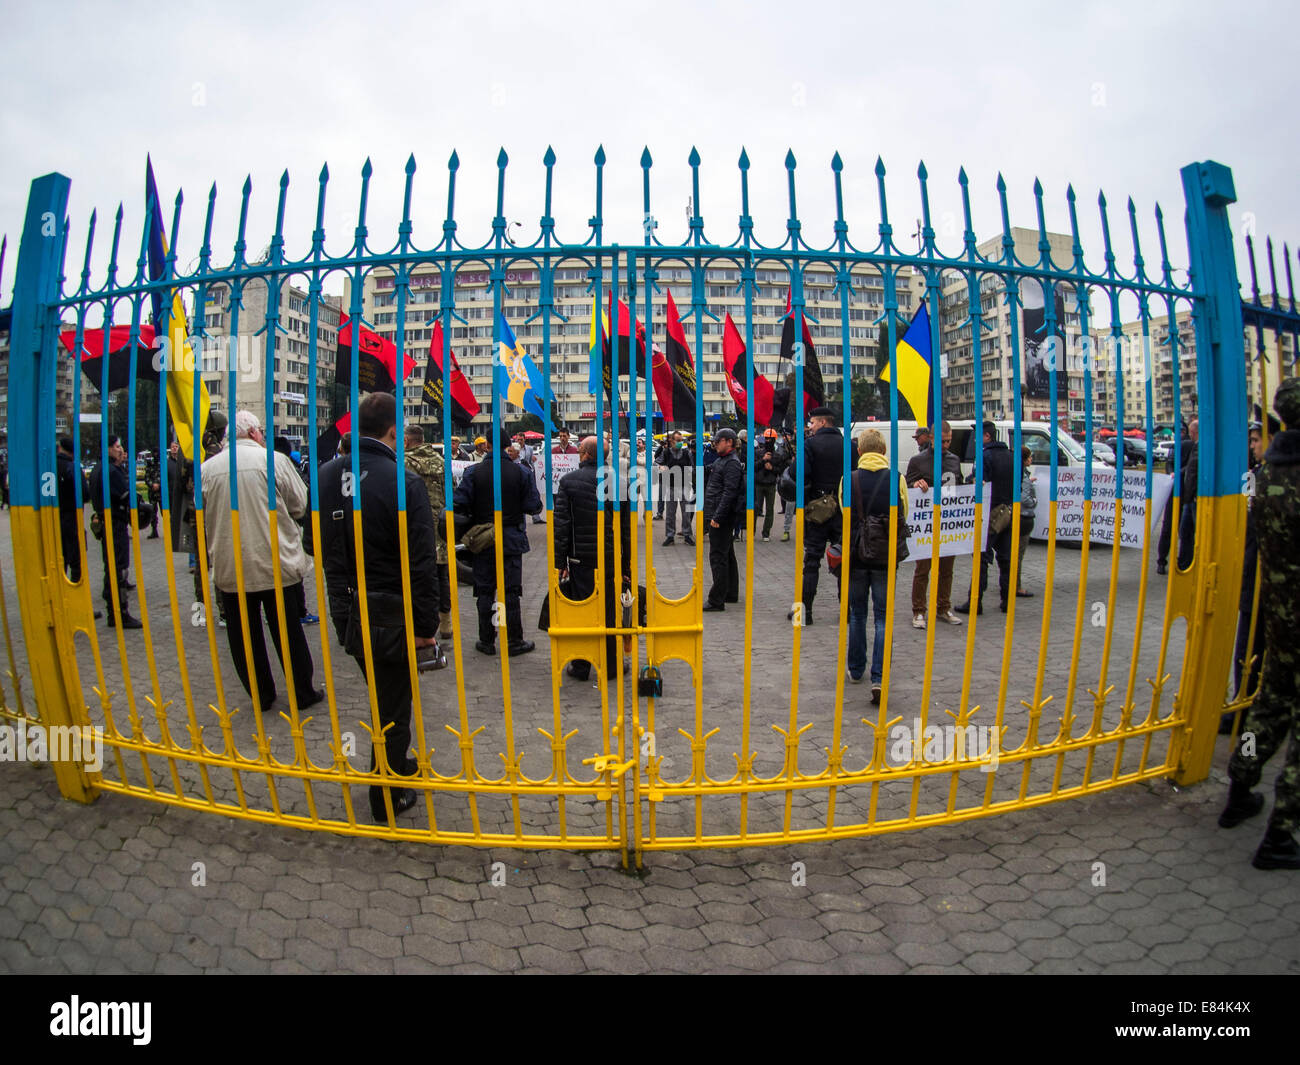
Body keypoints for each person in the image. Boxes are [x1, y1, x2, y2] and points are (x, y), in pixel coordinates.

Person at [319, 392, 442, 823]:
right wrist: (427, 625)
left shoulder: (327, 473)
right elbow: (422, 562)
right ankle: (386, 793)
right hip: (391, 610)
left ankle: (398, 763)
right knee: (393, 705)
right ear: (393, 429)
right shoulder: (403, 481)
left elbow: (316, 543)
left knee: (383, 692)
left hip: (346, 606)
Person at [1219, 378, 1300, 870]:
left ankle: (1240, 787)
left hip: (1278, 613)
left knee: (1271, 704)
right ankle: (1281, 834)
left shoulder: (1268, 474)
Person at [201, 411, 323, 715]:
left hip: (231, 565)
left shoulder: (207, 469)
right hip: (276, 562)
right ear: (254, 432)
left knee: (244, 634)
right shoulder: (274, 461)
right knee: (288, 631)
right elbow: (301, 505)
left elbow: (200, 515)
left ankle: (261, 694)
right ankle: (302, 692)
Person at [454, 429, 543, 655]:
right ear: (507, 445)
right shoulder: (521, 472)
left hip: (483, 539)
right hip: (511, 538)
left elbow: (459, 503)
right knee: (511, 592)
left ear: (488, 445)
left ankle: (487, 640)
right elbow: (534, 506)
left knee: (485, 591)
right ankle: (513, 641)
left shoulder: (473, 472)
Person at [553, 435, 631, 682]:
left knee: (582, 611)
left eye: (579, 449)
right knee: (608, 611)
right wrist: (626, 564)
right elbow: (626, 530)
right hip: (608, 559)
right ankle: (610, 666)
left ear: (585, 453)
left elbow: (562, 526)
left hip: (580, 559)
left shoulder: (568, 481)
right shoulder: (619, 482)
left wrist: (560, 562)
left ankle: (581, 665)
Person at [847, 429, 909, 704]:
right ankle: (879, 677)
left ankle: (856, 668)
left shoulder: (850, 479)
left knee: (858, 613)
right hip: (886, 554)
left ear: (860, 451)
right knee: (883, 617)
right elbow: (903, 512)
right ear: (883, 451)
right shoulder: (897, 479)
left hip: (858, 554)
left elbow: (843, 512)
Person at [906, 422, 962, 628]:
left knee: (947, 569)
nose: (946, 445)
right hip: (926, 525)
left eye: (949, 440)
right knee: (923, 569)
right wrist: (915, 484)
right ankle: (918, 611)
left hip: (948, 523)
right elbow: (906, 484)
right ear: (931, 438)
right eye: (943, 441)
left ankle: (943, 607)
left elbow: (959, 487)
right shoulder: (918, 461)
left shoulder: (954, 460)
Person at [792, 406, 844, 626]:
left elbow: (798, 473)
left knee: (812, 561)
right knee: (843, 559)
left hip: (817, 510)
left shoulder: (810, 445)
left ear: (823, 422)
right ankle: (848, 611)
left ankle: (805, 612)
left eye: (812, 422)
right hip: (843, 508)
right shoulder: (849, 445)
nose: (809, 427)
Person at [957, 420, 1015, 615]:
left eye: (978, 435)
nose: (975, 439)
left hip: (990, 512)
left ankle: (975, 602)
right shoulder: (1010, 455)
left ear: (987, 436)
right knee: (1006, 559)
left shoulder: (984, 456)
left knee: (981, 557)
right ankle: (1007, 600)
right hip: (1007, 512)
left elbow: (978, 483)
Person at [404, 423, 454, 640]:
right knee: (442, 575)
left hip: (417, 524)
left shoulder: (404, 464)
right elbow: (452, 488)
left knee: (419, 576)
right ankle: (446, 623)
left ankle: (423, 625)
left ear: (406, 441)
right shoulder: (441, 461)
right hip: (441, 524)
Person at [89, 435, 143, 629]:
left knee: (110, 566)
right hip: (114, 524)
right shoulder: (111, 471)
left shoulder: (98, 468)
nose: (121, 450)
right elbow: (126, 495)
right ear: (109, 449)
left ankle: (111, 602)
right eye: (118, 446)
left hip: (105, 522)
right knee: (118, 569)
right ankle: (119, 612)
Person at [702, 428, 743, 611]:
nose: (715, 444)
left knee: (718, 556)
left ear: (728, 442)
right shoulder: (723, 461)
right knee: (727, 554)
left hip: (721, 516)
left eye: (717, 441)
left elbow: (729, 492)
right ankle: (730, 592)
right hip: (720, 513)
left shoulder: (732, 463)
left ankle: (716, 599)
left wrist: (717, 516)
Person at [1156, 418, 1197, 575]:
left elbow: (1188, 466)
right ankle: (1174, 561)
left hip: (1181, 491)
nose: (1177, 434)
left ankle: (1172, 561)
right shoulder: (1179, 446)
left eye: (1180, 431)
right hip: (1180, 490)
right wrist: (1173, 473)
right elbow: (1170, 463)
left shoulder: (1189, 445)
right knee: (1178, 529)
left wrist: (1174, 473)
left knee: (1181, 529)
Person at [655, 430, 695, 547]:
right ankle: (670, 536)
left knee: (686, 512)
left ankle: (687, 535)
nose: (680, 443)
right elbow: (656, 463)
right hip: (671, 486)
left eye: (681, 440)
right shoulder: (666, 452)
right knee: (670, 513)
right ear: (672, 441)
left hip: (684, 486)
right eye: (678, 440)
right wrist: (661, 467)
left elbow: (692, 467)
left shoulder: (687, 453)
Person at [753, 428, 786, 542]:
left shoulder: (777, 455)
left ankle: (766, 532)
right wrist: (763, 460)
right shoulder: (758, 453)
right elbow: (753, 467)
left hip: (771, 484)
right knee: (756, 508)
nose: (768, 441)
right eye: (766, 438)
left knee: (770, 509)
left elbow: (780, 470)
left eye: (770, 439)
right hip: (758, 483)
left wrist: (772, 468)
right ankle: (752, 530)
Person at [1015, 445, 1037, 598]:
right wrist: (1034, 500)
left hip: (1018, 516)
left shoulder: (1019, 473)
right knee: (1018, 554)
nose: (1031, 459)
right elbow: (1024, 498)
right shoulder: (1023, 476)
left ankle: (1011, 583)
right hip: (1024, 517)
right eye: (1029, 457)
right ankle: (1016, 586)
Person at [778, 430, 798, 541]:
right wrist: (791, 460)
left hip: (804, 481)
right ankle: (786, 530)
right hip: (791, 480)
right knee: (789, 508)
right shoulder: (784, 447)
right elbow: (780, 460)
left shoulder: (806, 443)